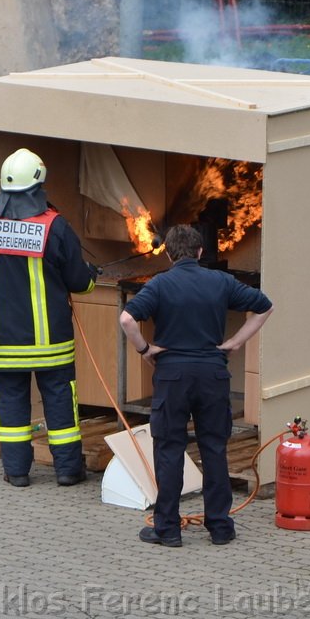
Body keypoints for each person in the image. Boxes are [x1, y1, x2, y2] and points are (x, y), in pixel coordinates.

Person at [119, 225, 273, 546]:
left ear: (170, 255)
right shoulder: (221, 281)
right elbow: (265, 306)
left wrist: (145, 350)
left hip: (172, 377)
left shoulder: (159, 284)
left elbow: (127, 320)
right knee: (214, 448)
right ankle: (220, 527)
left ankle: (168, 529)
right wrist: (234, 342)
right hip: (212, 375)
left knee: (170, 450)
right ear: (201, 252)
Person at [0, 148, 98, 488]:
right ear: (39, 186)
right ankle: (67, 471)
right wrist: (92, 275)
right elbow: (81, 282)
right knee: (61, 404)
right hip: (50, 345)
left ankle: (17, 472)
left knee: (12, 407)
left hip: (0, 343)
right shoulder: (54, 226)